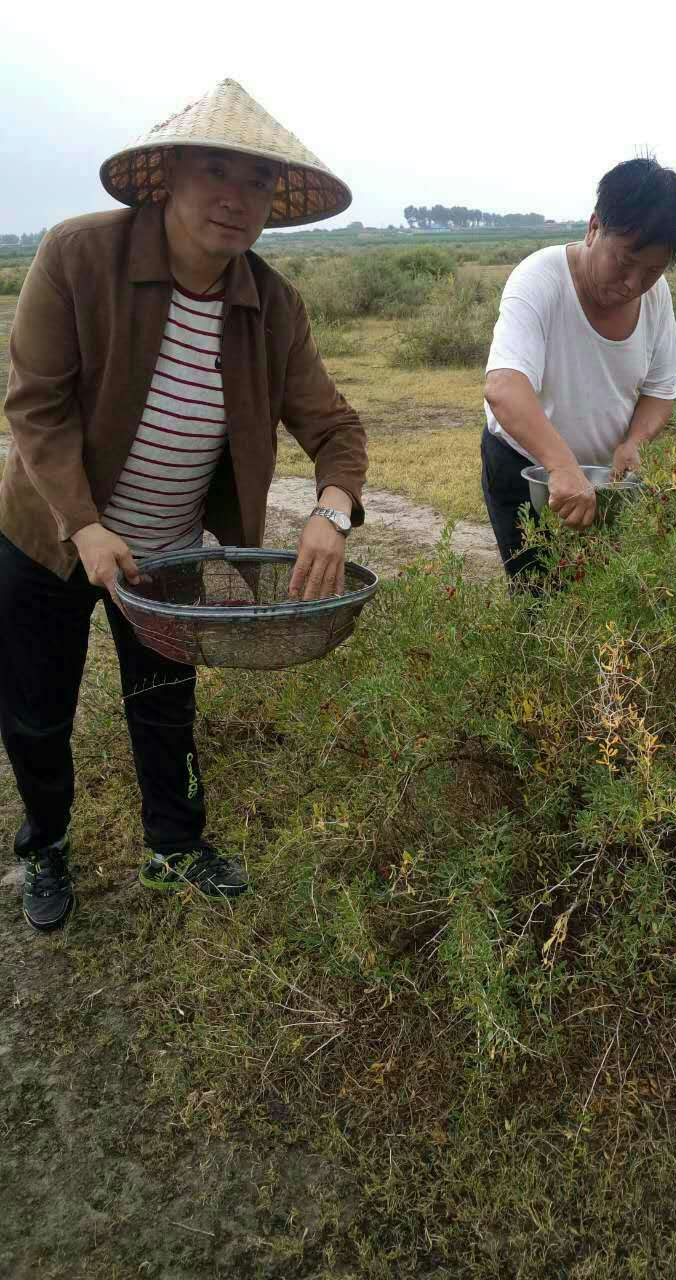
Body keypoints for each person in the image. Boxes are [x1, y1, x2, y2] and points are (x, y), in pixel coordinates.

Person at [1, 79, 368, 929]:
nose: (236, 200)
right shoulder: (77, 256)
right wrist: (85, 525)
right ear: (167, 174)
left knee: (164, 705)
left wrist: (334, 507)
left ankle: (174, 848)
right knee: (35, 710)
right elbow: (36, 410)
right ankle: (47, 845)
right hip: (47, 542)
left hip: (165, 556)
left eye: (258, 184)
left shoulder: (272, 307)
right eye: (216, 171)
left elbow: (335, 426)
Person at [481, 157, 676, 580]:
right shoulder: (538, 280)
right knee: (542, 604)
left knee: (606, 597)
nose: (634, 283)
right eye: (625, 261)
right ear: (594, 227)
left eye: (652, 270)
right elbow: (504, 387)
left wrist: (634, 441)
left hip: (605, 480)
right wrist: (561, 467)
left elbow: (660, 390)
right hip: (528, 470)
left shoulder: (656, 297)